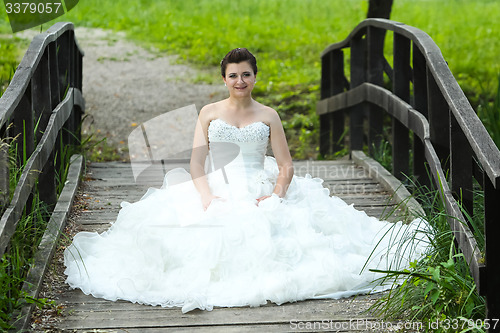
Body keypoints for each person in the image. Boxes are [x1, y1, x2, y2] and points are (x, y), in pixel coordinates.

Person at [64, 48, 430, 313]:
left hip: (260, 183)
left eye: (246, 74)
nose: (240, 81)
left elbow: (285, 165)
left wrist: (275, 196)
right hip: (216, 184)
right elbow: (196, 162)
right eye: (233, 75)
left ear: (255, 77)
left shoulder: (269, 115)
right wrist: (206, 197)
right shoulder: (208, 113)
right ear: (224, 79)